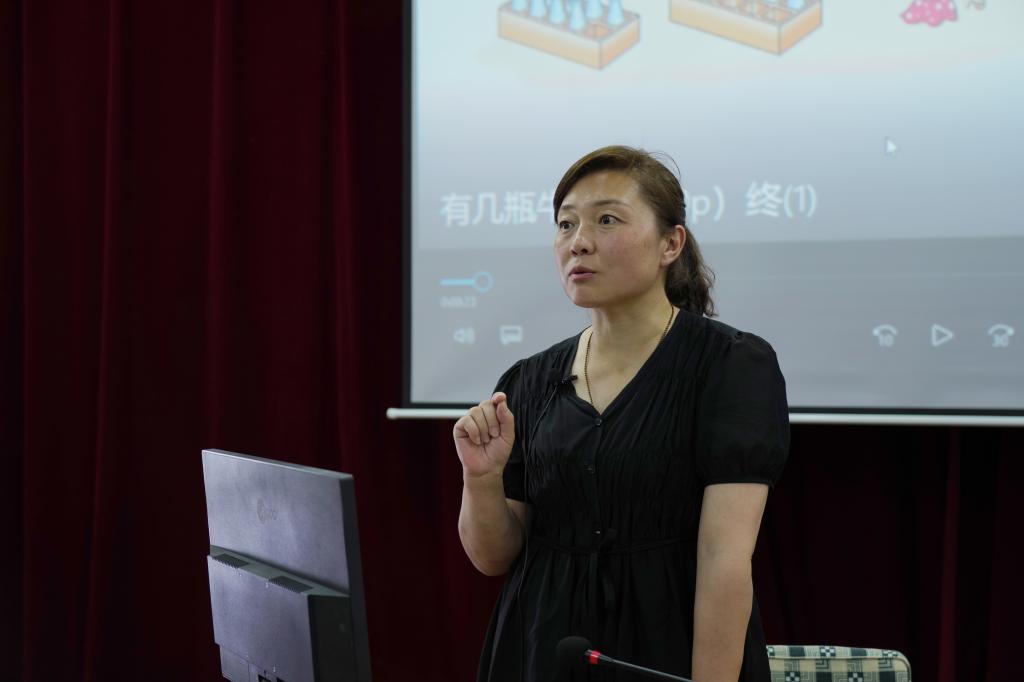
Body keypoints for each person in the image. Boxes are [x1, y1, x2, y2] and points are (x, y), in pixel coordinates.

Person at [454, 146, 789, 682]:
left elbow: (724, 559)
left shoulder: (730, 366)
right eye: (566, 224)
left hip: (667, 645)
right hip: (543, 649)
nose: (578, 242)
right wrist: (481, 479)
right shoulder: (528, 381)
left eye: (606, 220)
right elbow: (493, 557)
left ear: (670, 243)